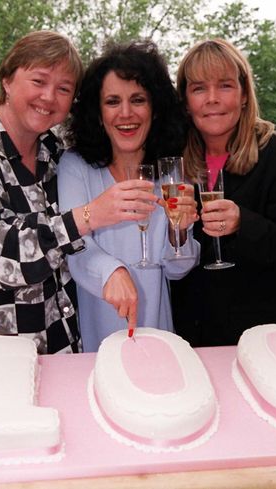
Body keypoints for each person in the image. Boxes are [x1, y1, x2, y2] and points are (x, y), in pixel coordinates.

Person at [0, 31, 158, 394]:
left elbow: (69, 246)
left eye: (64, 88)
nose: (49, 97)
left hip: (46, 353)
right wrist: (89, 216)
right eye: (39, 81)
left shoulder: (54, 152)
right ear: (7, 79)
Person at [58, 40, 200, 352]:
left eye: (138, 100)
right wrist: (112, 271)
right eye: (112, 101)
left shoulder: (170, 169)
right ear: (97, 112)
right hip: (99, 336)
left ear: (155, 108)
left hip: (160, 336)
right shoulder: (75, 166)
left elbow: (178, 269)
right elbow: (75, 247)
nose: (126, 113)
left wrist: (180, 230)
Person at [170, 38, 276, 347]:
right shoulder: (172, 162)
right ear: (185, 101)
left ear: (244, 95)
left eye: (225, 86)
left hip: (263, 336)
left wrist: (242, 223)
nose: (212, 99)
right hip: (191, 335)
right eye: (199, 88)